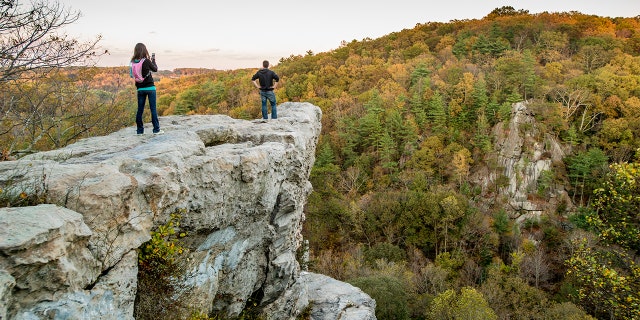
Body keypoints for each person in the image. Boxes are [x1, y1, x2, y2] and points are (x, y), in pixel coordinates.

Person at [130, 43, 162, 134]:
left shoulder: (133, 62)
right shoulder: (146, 61)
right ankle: (156, 130)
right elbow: (155, 69)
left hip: (140, 89)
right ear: (144, 50)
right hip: (150, 88)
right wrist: (153, 60)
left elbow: (131, 74)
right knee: (153, 109)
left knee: (140, 110)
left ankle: (140, 131)